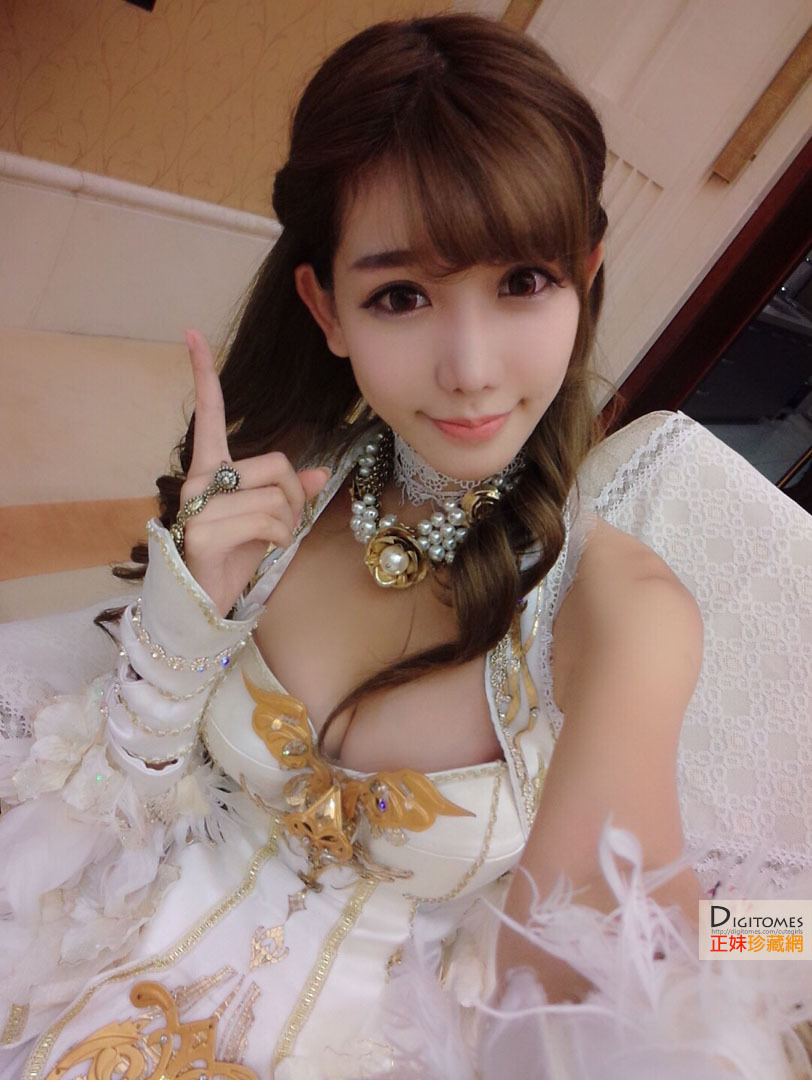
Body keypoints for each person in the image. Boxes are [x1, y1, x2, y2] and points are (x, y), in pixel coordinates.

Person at [3, 12, 801, 1080]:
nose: (469, 368)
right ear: (326, 309)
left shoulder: (616, 612)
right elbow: (130, 791)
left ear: (585, 275)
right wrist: (178, 632)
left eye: (522, 282)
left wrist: (792, 934)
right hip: (95, 942)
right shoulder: (283, 488)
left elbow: (633, 960)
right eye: (401, 296)